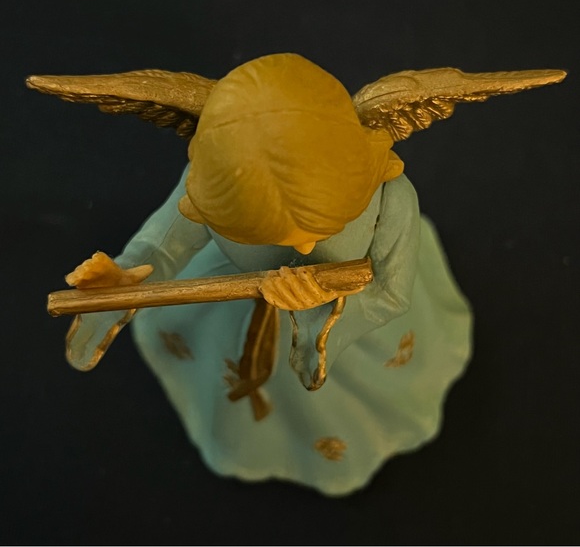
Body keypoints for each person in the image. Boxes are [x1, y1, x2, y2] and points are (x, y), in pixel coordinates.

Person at [63, 54, 472, 495]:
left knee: (345, 403)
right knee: (227, 382)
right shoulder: (220, 173)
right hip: (230, 307)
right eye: (270, 235)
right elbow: (163, 246)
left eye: (322, 229)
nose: (304, 250)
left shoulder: (388, 193)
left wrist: (319, 313)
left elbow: (391, 293)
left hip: (350, 322)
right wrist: (125, 278)